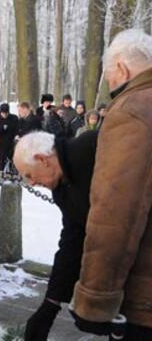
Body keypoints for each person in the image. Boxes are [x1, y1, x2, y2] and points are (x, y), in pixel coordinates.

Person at [70, 29, 152, 340]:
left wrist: (96, 298)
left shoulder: (132, 110)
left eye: (108, 75)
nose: (110, 84)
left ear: (121, 68)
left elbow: (117, 213)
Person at [13, 130, 98, 341]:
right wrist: (50, 305)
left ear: (43, 160)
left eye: (29, 175)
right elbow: (72, 240)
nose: (31, 183)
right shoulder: (61, 187)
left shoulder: (90, 148)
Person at [0, 103, 18, 170]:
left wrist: (16, 136)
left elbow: (16, 129)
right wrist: (3, 128)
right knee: (1, 160)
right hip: (1, 143)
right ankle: (0, 172)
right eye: (3, 113)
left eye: (6, 113)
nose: (5, 115)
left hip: (11, 142)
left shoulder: (14, 118)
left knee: (12, 159)